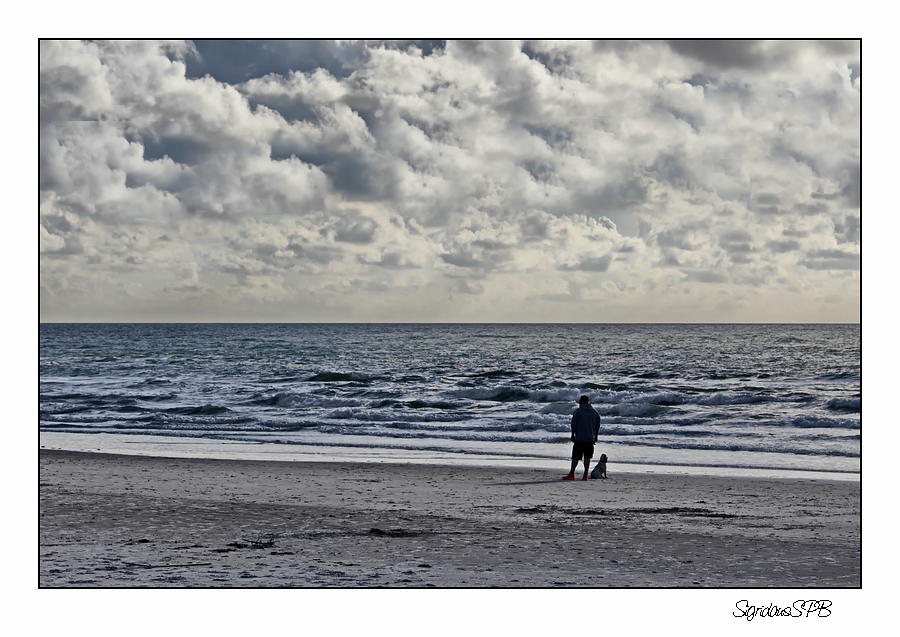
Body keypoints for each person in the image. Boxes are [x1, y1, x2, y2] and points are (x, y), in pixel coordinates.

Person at [564, 395, 601, 481]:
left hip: (579, 438)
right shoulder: (595, 412)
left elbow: (573, 424)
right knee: (587, 457)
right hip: (590, 438)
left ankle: (572, 473)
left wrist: (572, 435)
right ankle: (585, 475)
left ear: (582, 401)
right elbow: (597, 426)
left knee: (575, 457)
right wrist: (596, 436)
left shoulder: (578, 411)